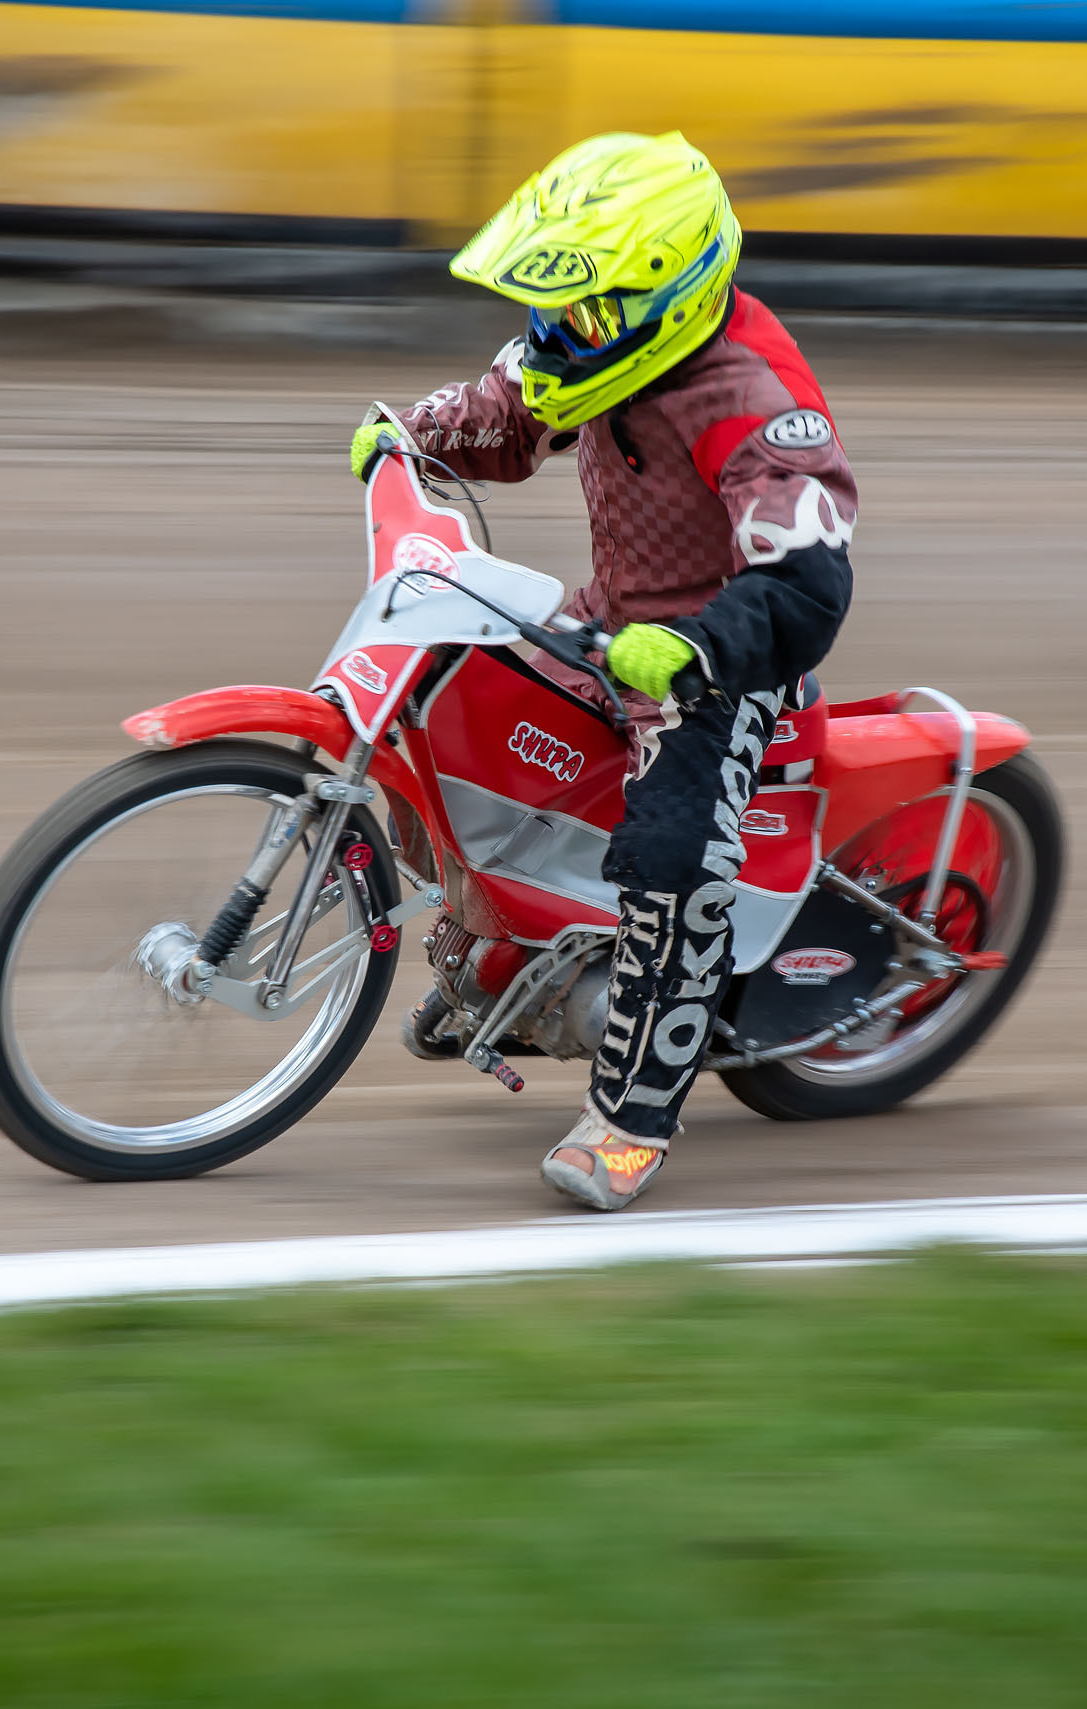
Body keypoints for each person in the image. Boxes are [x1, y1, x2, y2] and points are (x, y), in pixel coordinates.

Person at [350, 131, 857, 1212]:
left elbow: (810, 583)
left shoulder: (750, 398)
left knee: (671, 855)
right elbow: (513, 406)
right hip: (613, 617)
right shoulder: (599, 341)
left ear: (666, 296)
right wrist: (412, 434)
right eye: (554, 312)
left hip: (720, 655)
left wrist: (697, 649)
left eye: (583, 314)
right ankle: (500, 944)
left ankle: (632, 1113)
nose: (558, 338)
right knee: (445, 697)